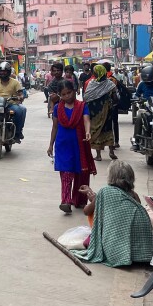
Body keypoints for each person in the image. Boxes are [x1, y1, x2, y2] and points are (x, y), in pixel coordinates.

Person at [72, 161, 153, 267]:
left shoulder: (105, 192)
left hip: (116, 251)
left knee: (91, 233)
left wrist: (92, 198)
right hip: (143, 253)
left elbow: (86, 211)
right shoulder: (134, 195)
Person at [47, 81, 96, 214]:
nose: (67, 96)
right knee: (66, 174)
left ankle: (79, 199)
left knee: (80, 172)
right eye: (63, 94)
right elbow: (55, 127)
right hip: (63, 144)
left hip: (79, 144)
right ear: (59, 95)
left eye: (69, 92)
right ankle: (66, 201)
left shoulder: (82, 106)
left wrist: (87, 131)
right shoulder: (57, 108)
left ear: (75, 91)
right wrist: (51, 144)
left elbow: (86, 120)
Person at [83, 64, 119, 161]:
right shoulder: (110, 84)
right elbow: (115, 97)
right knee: (108, 130)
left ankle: (98, 155)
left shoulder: (92, 83)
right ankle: (111, 152)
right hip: (107, 111)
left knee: (97, 131)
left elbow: (86, 97)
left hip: (94, 112)